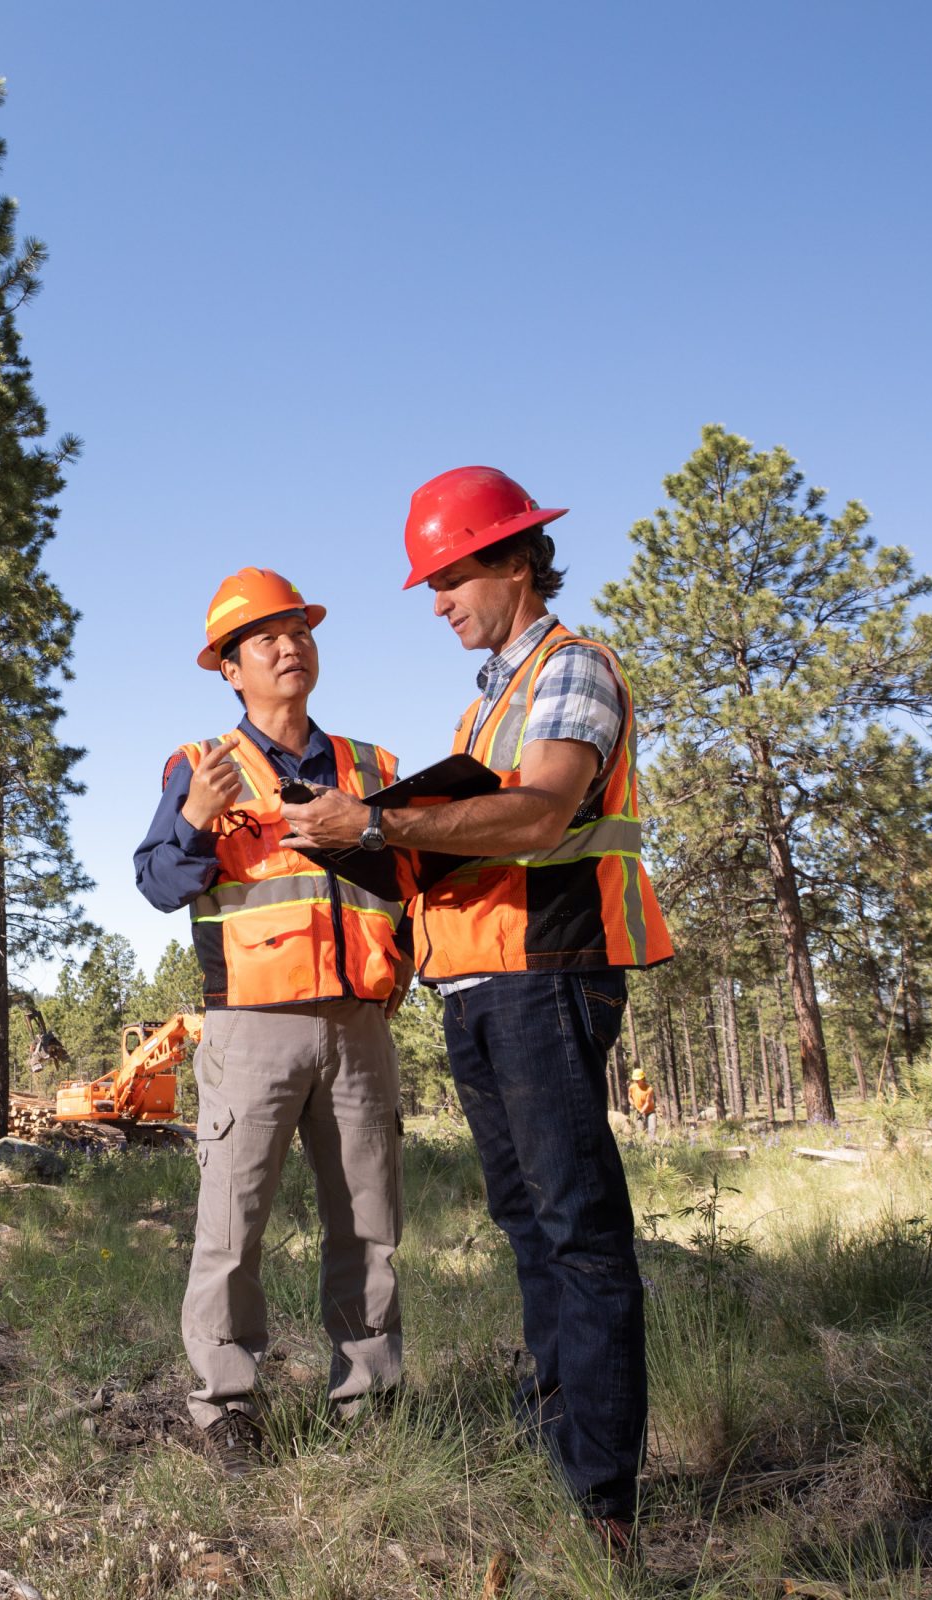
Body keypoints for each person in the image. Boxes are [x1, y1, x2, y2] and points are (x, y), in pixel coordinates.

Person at [282, 468, 673, 1553]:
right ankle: (564, 1444)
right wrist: (377, 849)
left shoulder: (570, 669)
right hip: (483, 987)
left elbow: (542, 812)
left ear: (512, 561)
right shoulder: (487, 699)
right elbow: (472, 840)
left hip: (547, 975)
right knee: (529, 1228)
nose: (437, 599)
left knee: (577, 1232)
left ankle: (605, 1505)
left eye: (449, 576)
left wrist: (383, 820)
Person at [133, 567, 416, 1476]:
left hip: (360, 1027)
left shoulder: (374, 770)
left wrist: (401, 963)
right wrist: (194, 820)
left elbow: (413, 887)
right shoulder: (202, 766)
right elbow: (157, 885)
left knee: (369, 1223)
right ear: (230, 668)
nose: (289, 647)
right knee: (232, 1225)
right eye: (266, 639)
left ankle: (368, 1402)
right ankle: (225, 1411)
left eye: (299, 631)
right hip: (251, 1030)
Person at [627, 1067, 657, 1137]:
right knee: (640, 1132)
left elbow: (647, 1103)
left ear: (643, 1078)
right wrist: (632, 1104)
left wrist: (641, 1111)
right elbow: (629, 1097)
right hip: (638, 1112)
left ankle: (652, 1144)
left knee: (651, 1131)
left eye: (638, 1079)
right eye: (635, 1079)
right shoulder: (632, 1087)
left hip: (650, 1112)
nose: (636, 1081)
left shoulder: (649, 1089)